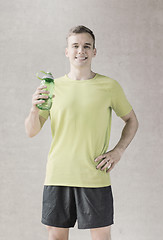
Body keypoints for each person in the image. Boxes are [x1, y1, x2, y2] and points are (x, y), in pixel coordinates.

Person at [25, 25, 139, 240]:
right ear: (67, 51)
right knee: (57, 237)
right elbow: (31, 131)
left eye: (87, 46)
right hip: (58, 175)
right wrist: (33, 108)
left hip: (94, 175)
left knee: (101, 237)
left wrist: (118, 151)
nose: (81, 51)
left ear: (94, 51)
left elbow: (132, 120)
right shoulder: (52, 87)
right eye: (75, 46)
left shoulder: (109, 86)